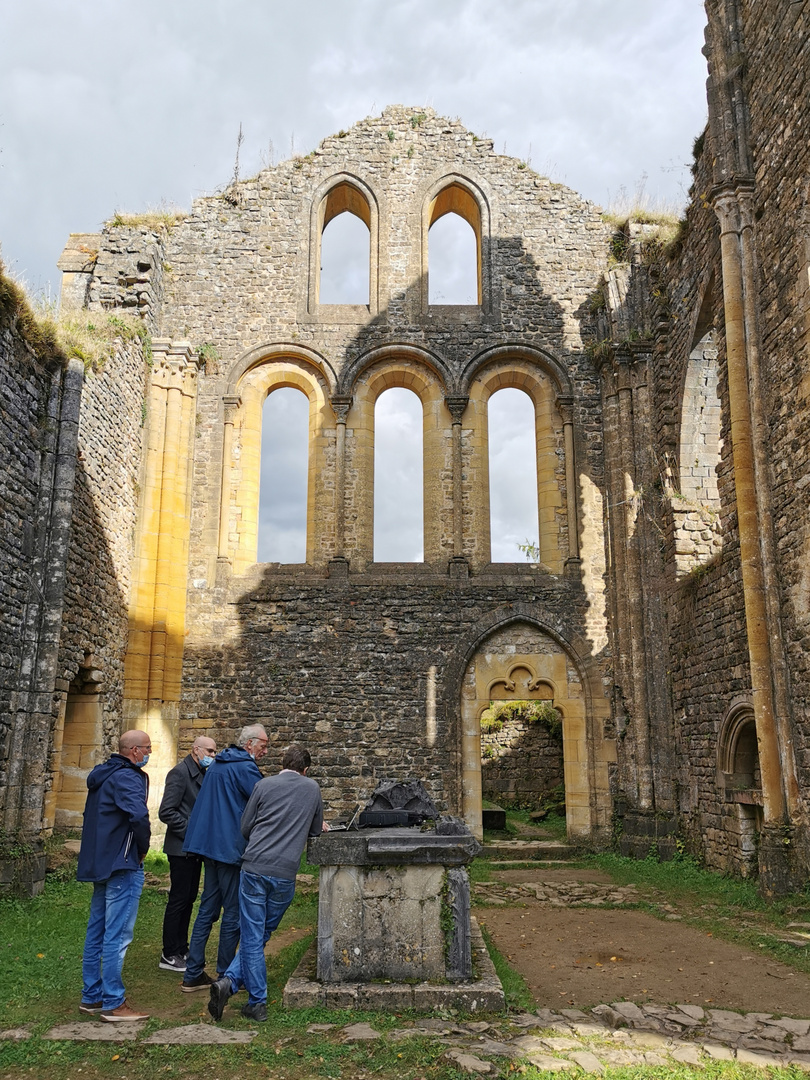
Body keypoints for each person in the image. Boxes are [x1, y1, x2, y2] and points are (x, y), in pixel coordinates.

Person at [208, 743, 326, 1023]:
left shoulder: (263, 785)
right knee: (260, 933)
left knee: (252, 934)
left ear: (281, 763)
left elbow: (246, 827)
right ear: (305, 770)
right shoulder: (312, 789)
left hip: (255, 867)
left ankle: (237, 987)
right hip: (285, 872)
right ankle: (252, 999)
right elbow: (314, 831)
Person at [179, 724, 268, 992]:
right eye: (263, 745)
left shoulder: (218, 764)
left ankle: (193, 972)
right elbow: (262, 799)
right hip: (229, 848)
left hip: (209, 846)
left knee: (207, 908)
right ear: (250, 744)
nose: (265, 750)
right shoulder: (244, 767)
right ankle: (226, 974)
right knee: (232, 912)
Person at [76, 729, 152, 1022]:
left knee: (97, 930)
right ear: (133, 751)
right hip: (122, 864)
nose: (148, 754)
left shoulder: (103, 774)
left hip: (101, 861)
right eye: (146, 748)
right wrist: (142, 849)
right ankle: (113, 1002)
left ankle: (91, 996)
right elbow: (138, 816)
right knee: (117, 934)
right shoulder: (127, 776)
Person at [157, 734, 218, 972]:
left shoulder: (202, 773)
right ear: (196, 750)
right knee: (178, 900)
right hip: (181, 848)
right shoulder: (180, 773)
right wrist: (192, 832)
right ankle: (169, 952)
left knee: (189, 899)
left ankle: (181, 947)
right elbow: (167, 812)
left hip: (194, 850)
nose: (213, 755)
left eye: (214, 752)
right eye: (210, 751)